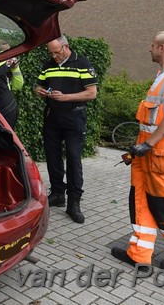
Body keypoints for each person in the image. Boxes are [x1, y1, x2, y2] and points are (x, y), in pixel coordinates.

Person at [111, 30, 164, 272]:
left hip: (163, 149)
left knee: (162, 203)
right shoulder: (162, 75)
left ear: (162, 48)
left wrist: (149, 144)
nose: (148, 49)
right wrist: (142, 145)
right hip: (147, 148)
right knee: (139, 198)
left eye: (151, 45)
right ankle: (139, 254)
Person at [35, 35, 97, 224]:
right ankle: (58, 194)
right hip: (52, 117)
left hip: (74, 118)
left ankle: (74, 203)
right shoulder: (49, 64)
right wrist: (39, 91)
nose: (54, 56)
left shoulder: (82, 63)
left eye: (56, 52)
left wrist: (66, 97)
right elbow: (38, 86)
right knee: (52, 157)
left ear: (66, 46)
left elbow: (91, 93)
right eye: (51, 53)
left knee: (73, 158)